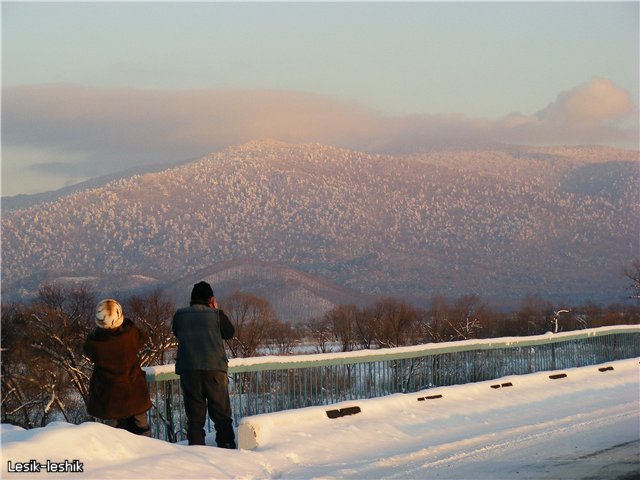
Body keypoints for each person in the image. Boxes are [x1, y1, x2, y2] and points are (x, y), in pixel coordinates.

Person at [172, 281, 236, 448]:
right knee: (221, 415)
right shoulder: (216, 315)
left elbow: (177, 333)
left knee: (195, 418)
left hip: (189, 370)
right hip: (215, 370)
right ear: (211, 299)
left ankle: (196, 453)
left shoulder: (180, 315)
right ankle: (227, 447)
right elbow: (229, 333)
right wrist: (215, 310)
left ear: (192, 298)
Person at [84, 299, 152, 436]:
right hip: (135, 394)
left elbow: (87, 349)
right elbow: (142, 337)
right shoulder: (131, 336)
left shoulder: (96, 344)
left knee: (113, 435)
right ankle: (148, 453)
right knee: (142, 430)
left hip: (110, 398)